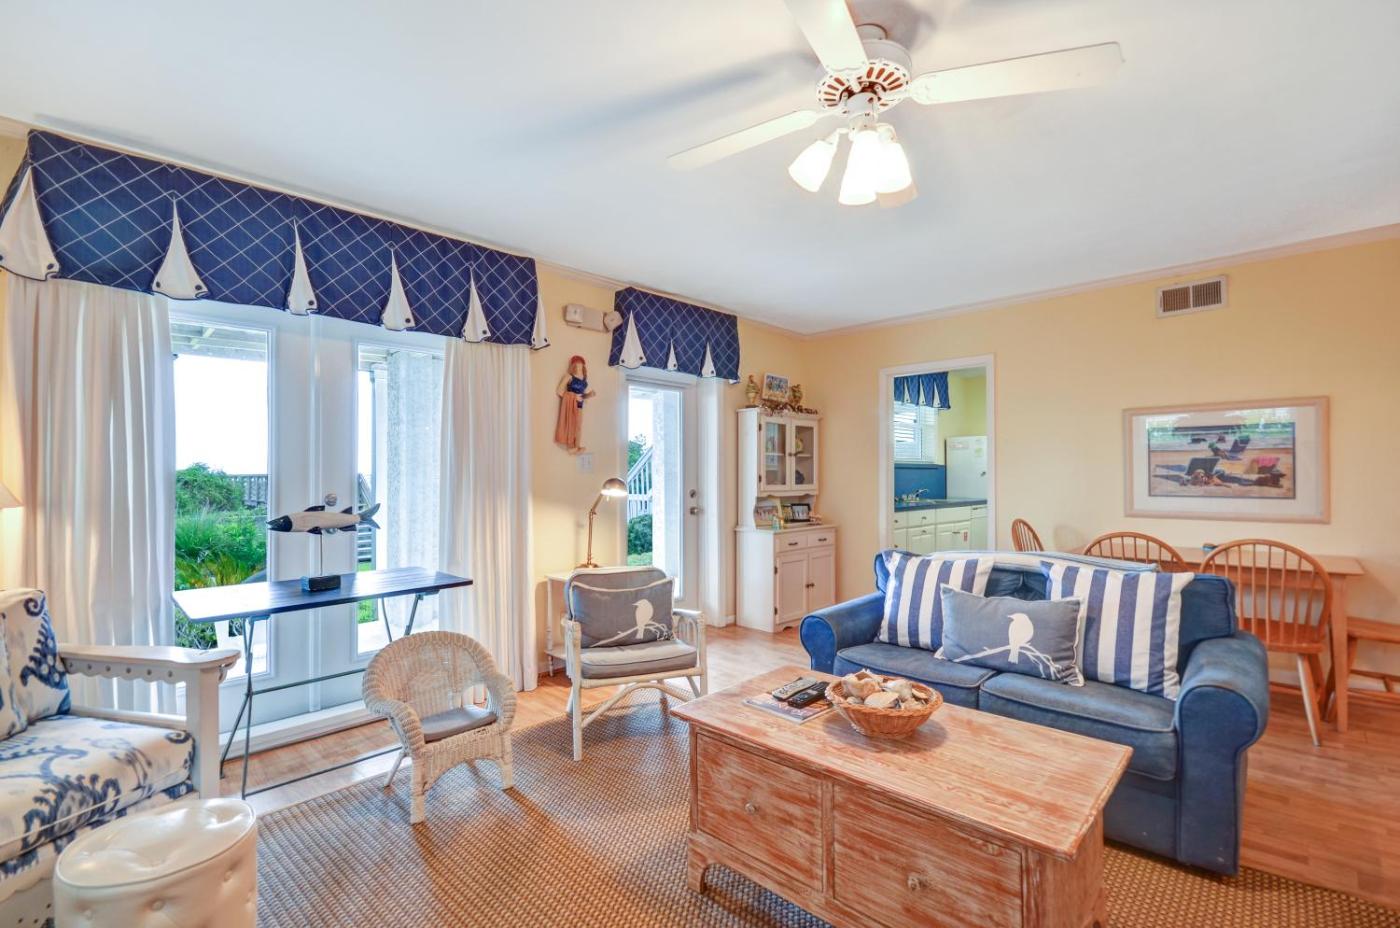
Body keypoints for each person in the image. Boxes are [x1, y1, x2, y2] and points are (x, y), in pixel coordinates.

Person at [555, 355, 596, 453]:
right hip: (571, 404)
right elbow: (559, 391)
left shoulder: (584, 380)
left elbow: (582, 396)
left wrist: (589, 395)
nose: (579, 367)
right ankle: (570, 446)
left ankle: (577, 445)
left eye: (581, 365)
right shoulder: (569, 377)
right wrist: (573, 397)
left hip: (580, 405)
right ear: (573, 366)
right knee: (571, 423)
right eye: (577, 364)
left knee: (578, 426)